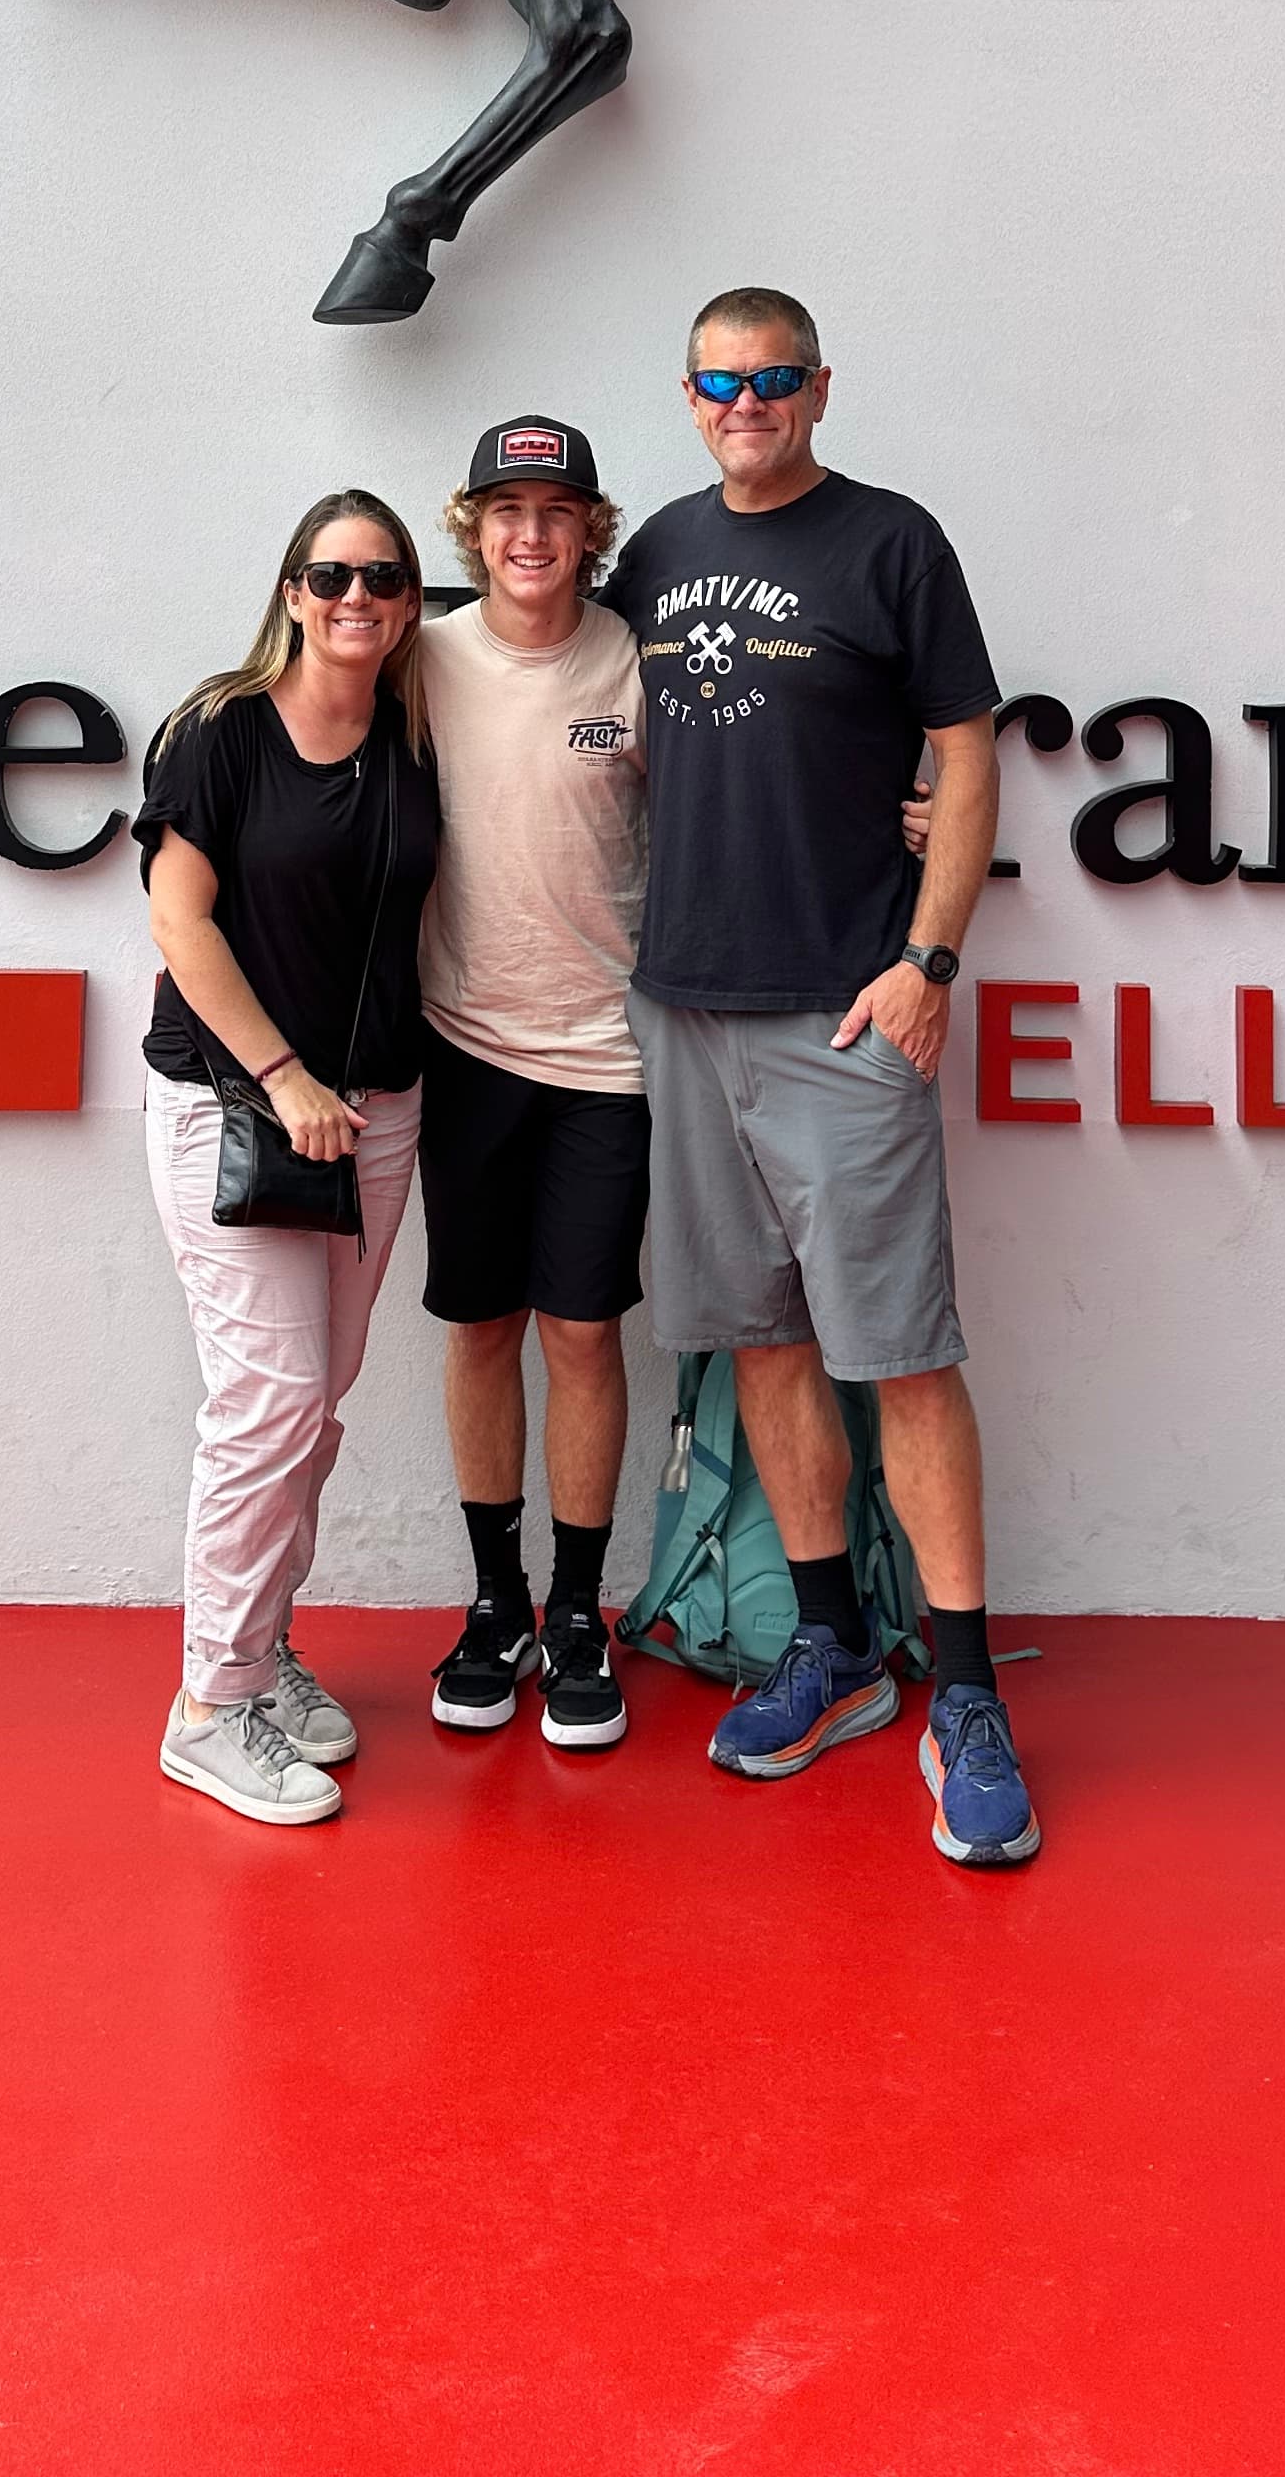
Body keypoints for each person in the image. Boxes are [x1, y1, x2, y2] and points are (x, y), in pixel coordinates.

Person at [606, 288, 1035, 1870]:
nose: (747, 403)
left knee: (903, 1353)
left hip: (847, 1015)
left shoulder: (891, 543)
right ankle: (835, 1643)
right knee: (763, 1342)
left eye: (773, 379)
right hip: (684, 1006)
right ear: (691, 392)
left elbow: (969, 751)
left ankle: (974, 1700)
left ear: (819, 388)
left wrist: (929, 964)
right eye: (720, 382)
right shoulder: (648, 549)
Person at [135, 491, 443, 1829]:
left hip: (373, 1116)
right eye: (331, 575)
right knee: (267, 1401)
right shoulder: (220, 732)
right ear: (293, 592)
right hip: (236, 1104)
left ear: (412, 599)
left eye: (382, 576)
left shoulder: (418, 740)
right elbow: (177, 920)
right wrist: (282, 1074)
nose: (355, 595)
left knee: (313, 1409)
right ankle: (209, 1706)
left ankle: (260, 1656)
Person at [417, 418, 649, 1752]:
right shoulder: (423, 657)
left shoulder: (634, 657)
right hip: (463, 1049)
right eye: (507, 510)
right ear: (473, 527)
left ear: (589, 529)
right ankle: (495, 1600)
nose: (531, 536)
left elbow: (728, 809)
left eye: (557, 510)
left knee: (583, 1334)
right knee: (480, 1328)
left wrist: (894, 813)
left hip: (608, 1059)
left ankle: (575, 1612)